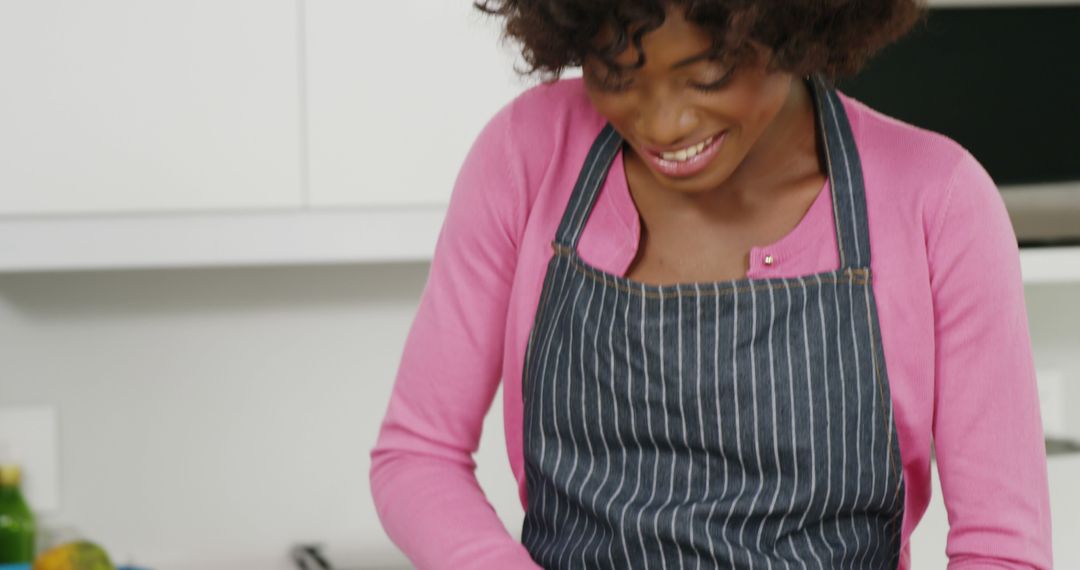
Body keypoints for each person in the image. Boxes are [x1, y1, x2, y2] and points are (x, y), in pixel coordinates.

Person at [369, 1, 1053, 568]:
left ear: (795, 29)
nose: (663, 124)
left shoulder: (938, 200)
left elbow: (1003, 548)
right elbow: (417, 454)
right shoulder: (529, 153)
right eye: (616, 72)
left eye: (710, 73)